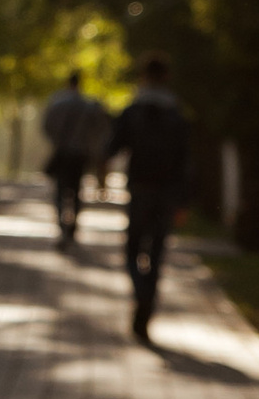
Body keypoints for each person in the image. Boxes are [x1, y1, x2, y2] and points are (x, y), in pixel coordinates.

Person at [108, 51, 192, 343]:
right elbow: (186, 159)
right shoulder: (177, 114)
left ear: (144, 76)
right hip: (167, 194)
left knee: (132, 250)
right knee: (156, 253)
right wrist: (183, 201)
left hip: (140, 190)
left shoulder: (133, 110)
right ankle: (146, 309)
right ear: (166, 77)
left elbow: (113, 146)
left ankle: (140, 293)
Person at [40, 70, 110, 247]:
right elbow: (100, 128)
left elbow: (46, 126)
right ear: (80, 83)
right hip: (80, 154)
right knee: (77, 191)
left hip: (62, 153)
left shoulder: (57, 103)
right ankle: (73, 225)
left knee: (60, 191)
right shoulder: (88, 104)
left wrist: (57, 141)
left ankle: (62, 226)